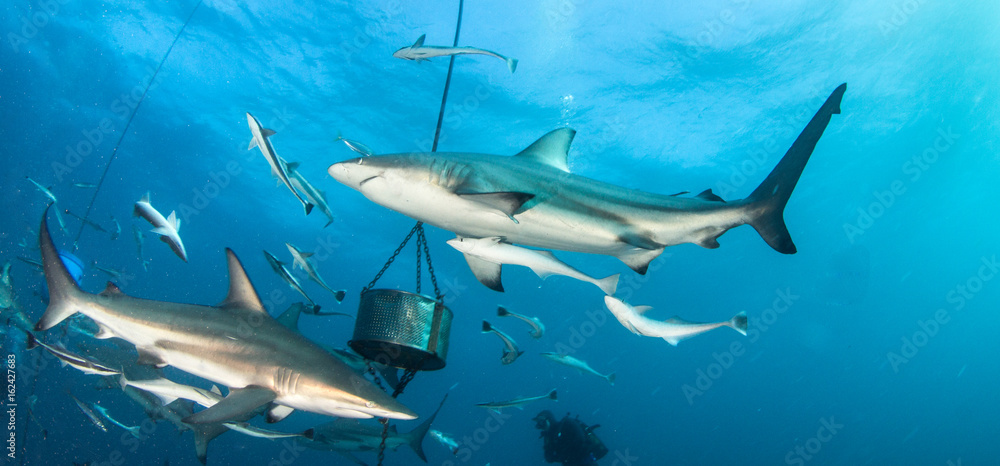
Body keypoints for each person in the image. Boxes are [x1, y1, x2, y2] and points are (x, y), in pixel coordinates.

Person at [534, 410, 608, 465]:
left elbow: (580, 441)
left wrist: (564, 455)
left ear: (549, 419)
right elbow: (549, 458)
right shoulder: (548, 438)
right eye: (538, 422)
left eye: (541, 420)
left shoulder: (567, 423)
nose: (540, 425)